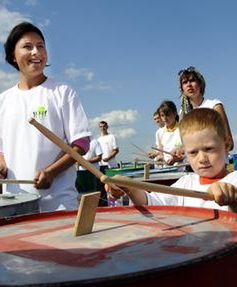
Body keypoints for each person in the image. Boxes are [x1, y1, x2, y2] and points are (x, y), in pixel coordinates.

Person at [0, 22, 91, 212]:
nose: (36, 52)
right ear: (12, 57)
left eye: (40, 46)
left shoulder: (63, 92)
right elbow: (2, 151)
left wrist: (51, 172)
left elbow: (81, 144)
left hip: (59, 204)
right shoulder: (4, 100)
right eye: (28, 46)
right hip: (16, 204)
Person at [106, 108, 237, 212]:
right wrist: (130, 187)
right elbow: (153, 203)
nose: (202, 159)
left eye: (209, 149)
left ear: (226, 145)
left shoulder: (234, 180)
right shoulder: (186, 183)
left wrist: (233, 200)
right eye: (193, 152)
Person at [178, 66, 234, 151]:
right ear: (182, 89)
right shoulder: (183, 113)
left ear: (200, 84)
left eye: (192, 80)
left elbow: (229, 142)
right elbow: (185, 145)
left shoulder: (214, 106)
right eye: (185, 82)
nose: (189, 84)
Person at [149, 101, 184, 165]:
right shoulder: (159, 132)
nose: (165, 118)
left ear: (175, 113)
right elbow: (160, 151)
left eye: (167, 115)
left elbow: (181, 146)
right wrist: (159, 157)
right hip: (167, 166)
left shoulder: (183, 129)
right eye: (162, 115)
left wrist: (178, 154)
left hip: (181, 165)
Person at [97, 120, 119, 206]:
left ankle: (115, 205)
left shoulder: (111, 137)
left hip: (112, 166)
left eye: (104, 126)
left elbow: (116, 150)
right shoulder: (98, 140)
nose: (102, 128)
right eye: (101, 126)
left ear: (107, 127)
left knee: (113, 186)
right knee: (103, 187)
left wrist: (108, 158)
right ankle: (105, 206)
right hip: (101, 166)